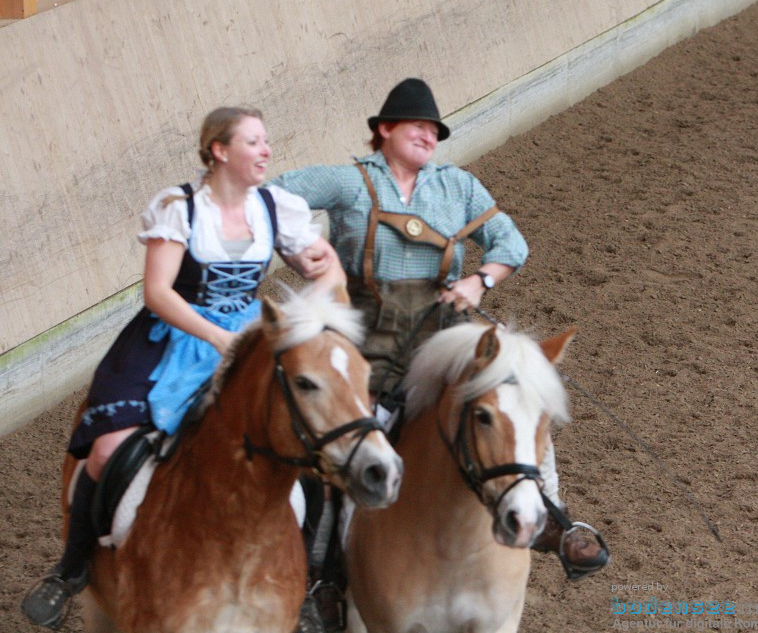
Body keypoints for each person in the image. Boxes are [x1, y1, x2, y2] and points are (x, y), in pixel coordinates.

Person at [273, 78, 609, 600]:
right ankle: (323, 571)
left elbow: (510, 243)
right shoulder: (346, 183)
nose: (429, 137)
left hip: (443, 333)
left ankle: (553, 517)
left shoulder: (459, 187)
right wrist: (305, 251)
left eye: (434, 131)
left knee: (518, 392)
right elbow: (272, 197)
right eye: (417, 127)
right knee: (337, 444)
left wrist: (480, 279)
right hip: (368, 339)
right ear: (384, 130)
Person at [21, 107, 345, 631]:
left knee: (304, 458)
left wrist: (319, 283)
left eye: (266, 142)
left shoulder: (276, 207)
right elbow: (157, 292)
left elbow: (327, 266)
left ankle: (305, 584)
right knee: (105, 449)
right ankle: (72, 567)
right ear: (219, 150)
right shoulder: (179, 208)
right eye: (254, 142)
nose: (266, 150)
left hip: (251, 336)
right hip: (176, 337)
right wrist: (217, 336)